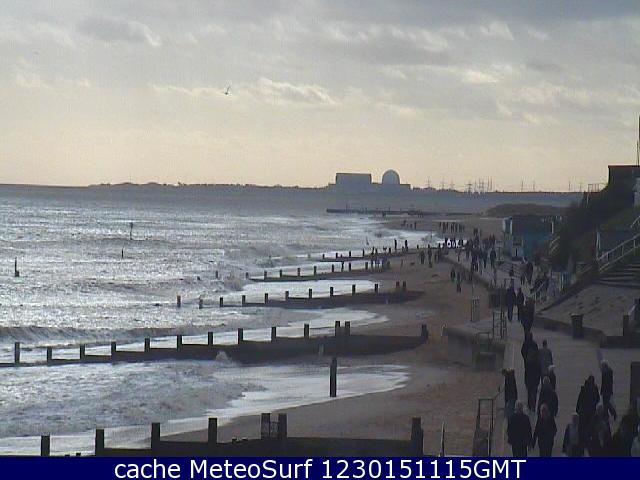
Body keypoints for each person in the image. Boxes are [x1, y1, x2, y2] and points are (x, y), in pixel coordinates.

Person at [576, 375, 600, 450]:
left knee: (584, 427)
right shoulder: (594, 388)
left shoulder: (584, 388)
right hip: (589, 411)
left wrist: (577, 409)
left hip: (584, 411)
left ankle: (583, 442)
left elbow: (579, 400)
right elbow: (597, 399)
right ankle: (586, 442)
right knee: (588, 428)